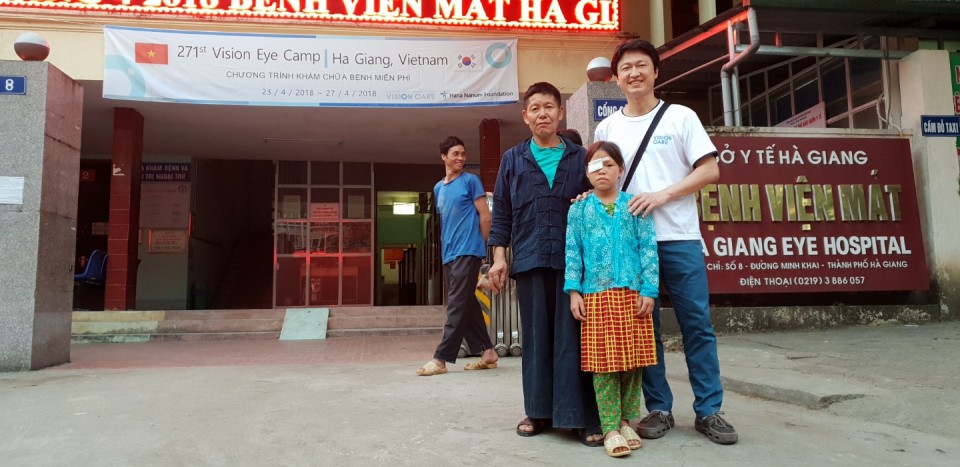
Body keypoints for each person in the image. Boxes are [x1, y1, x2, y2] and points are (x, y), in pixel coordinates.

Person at [594, 38, 738, 445]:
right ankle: (659, 407)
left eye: (642, 65)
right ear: (616, 78)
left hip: (679, 238)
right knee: (645, 328)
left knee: (697, 326)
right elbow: (602, 179)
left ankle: (709, 411)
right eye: (626, 68)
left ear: (656, 72)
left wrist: (662, 195)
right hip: (632, 244)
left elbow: (709, 170)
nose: (634, 73)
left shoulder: (681, 117)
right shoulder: (607, 128)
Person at [487, 82, 603, 446]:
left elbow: (601, 200)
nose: (542, 114)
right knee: (536, 339)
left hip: (574, 264)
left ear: (561, 112)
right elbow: (502, 212)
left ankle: (579, 416)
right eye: (535, 108)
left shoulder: (580, 157)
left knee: (574, 339)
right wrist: (499, 258)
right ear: (525, 116)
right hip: (531, 258)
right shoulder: (512, 159)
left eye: (549, 107)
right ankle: (538, 412)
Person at [564, 141, 660, 458]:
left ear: (620, 170)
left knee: (632, 363)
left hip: (633, 295)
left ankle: (626, 421)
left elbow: (648, 249)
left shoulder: (635, 206)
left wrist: (649, 290)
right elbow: (573, 252)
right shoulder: (579, 210)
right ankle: (609, 428)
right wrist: (574, 291)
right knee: (603, 364)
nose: (602, 170)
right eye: (595, 165)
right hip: (595, 296)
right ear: (587, 172)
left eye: (608, 164)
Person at [417, 136, 500, 376]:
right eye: (455, 154)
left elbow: (485, 216)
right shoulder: (438, 188)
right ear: (443, 156)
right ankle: (487, 352)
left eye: (463, 153)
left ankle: (441, 358)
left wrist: (480, 248)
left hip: (468, 250)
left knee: (455, 305)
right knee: (467, 304)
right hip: (449, 254)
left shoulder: (471, 181)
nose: (461, 158)